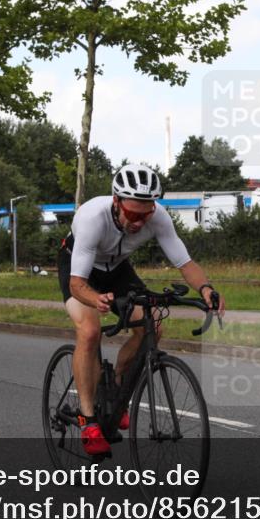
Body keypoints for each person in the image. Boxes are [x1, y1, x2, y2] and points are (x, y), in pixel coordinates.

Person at [58, 164, 226, 456]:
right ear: (116, 201)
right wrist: (96, 300)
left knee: (152, 327)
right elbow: (77, 284)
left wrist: (206, 289)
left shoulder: (157, 217)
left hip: (118, 270)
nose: (138, 222)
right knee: (90, 330)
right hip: (80, 272)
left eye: (145, 214)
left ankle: (118, 395)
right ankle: (89, 421)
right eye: (133, 214)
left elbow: (184, 263)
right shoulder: (92, 218)